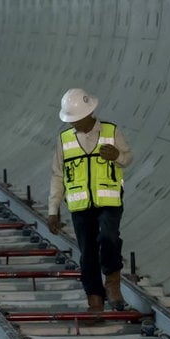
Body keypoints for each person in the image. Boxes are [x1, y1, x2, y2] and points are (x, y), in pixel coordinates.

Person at [48, 88, 132, 312]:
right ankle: (94, 299)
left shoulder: (111, 131)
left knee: (108, 237)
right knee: (87, 252)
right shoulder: (64, 140)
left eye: (76, 119)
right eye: (70, 120)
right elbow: (58, 175)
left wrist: (117, 156)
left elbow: (127, 158)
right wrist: (53, 210)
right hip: (80, 205)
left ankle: (112, 283)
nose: (73, 124)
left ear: (89, 114)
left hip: (109, 202)